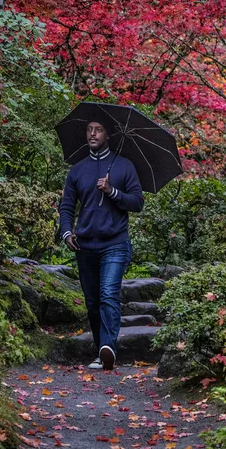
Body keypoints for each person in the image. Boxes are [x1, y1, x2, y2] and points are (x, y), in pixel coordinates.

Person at [58, 120, 144, 371]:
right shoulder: (77, 170)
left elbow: (138, 203)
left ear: (108, 134)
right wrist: (66, 232)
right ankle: (101, 350)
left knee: (108, 293)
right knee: (93, 301)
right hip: (85, 245)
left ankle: (109, 348)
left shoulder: (124, 166)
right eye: (89, 129)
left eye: (98, 130)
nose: (92, 134)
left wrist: (112, 191)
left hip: (115, 243)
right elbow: (67, 206)